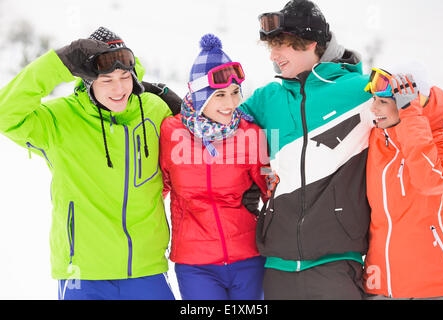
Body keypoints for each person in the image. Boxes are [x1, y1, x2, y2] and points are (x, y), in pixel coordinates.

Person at [0, 26, 177, 300]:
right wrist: (59, 62)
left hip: (146, 268)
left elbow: (207, 137)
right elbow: (5, 114)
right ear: (87, 81)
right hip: (83, 272)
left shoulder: (154, 109)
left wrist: (181, 107)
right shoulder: (59, 119)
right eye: (106, 80)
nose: (119, 89)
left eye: (124, 77)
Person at [238, 0, 374, 299]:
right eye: (271, 47)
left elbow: (424, 112)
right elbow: (214, 123)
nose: (273, 55)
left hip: (337, 261)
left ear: (311, 43)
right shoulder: (265, 98)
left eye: (282, 45)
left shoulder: (361, 91)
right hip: (277, 263)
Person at [159, 34, 269, 300]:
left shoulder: (250, 133)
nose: (231, 104)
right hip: (195, 264)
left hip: (248, 258)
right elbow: (153, 189)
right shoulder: (171, 132)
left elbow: (273, 189)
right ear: (198, 97)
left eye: (234, 93)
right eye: (219, 95)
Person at [363, 67, 443, 299]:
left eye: (382, 101)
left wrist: (411, 117)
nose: (374, 108)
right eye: (374, 100)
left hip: (436, 285)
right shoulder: (378, 139)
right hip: (380, 283)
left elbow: (430, 180)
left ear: (411, 103)